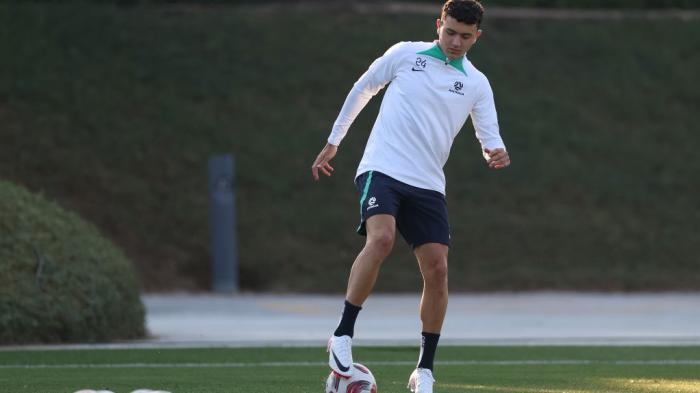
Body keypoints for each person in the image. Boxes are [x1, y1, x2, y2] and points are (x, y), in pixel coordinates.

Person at [311, 1, 510, 392]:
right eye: (450, 31)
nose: (455, 41)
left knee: (437, 270)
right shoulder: (405, 54)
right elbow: (363, 88)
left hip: (428, 184)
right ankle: (343, 334)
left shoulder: (476, 82)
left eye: (465, 36)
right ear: (439, 24)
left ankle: (425, 370)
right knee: (381, 238)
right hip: (382, 167)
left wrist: (496, 151)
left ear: (477, 37)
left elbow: (490, 137)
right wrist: (334, 141)